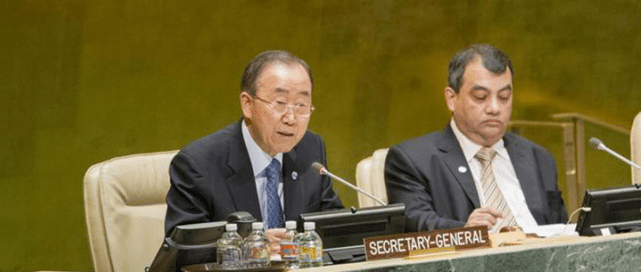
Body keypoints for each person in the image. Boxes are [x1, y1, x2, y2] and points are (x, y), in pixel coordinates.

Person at [165, 50, 343, 253]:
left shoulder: (310, 149)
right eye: (280, 103)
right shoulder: (198, 164)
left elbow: (332, 227)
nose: (291, 119)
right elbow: (183, 251)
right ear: (247, 104)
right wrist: (249, 249)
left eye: (301, 105)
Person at [384, 44, 567, 233]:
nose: (494, 108)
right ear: (451, 99)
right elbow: (414, 225)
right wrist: (466, 231)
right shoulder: (413, 160)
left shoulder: (538, 158)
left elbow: (562, 229)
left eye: (504, 97)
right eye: (481, 97)